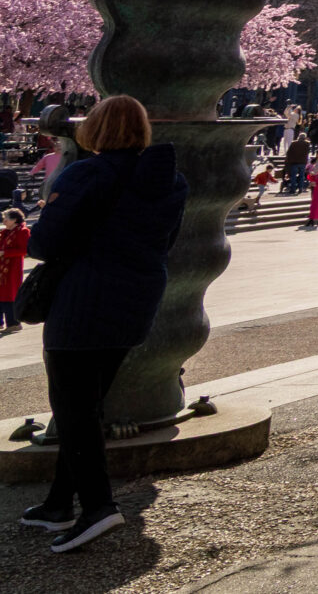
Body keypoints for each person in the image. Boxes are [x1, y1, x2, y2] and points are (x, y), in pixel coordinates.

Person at [23, 94, 187, 553]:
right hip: (135, 300)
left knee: (75, 409)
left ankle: (97, 507)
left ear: (94, 129)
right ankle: (59, 503)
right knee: (86, 404)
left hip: (82, 299)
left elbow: (44, 243)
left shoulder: (86, 173)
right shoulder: (169, 180)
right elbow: (166, 240)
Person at [0, 204, 26, 330]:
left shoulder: (23, 231)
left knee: (9, 297)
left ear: (14, 219)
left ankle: (13, 323)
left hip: (12, 269)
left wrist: (5, 253)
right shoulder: (5, 232)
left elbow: (23, 250)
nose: (4, 221)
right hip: (2, 268)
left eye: (6, 218)